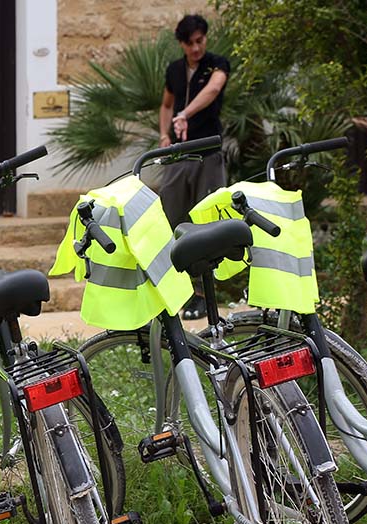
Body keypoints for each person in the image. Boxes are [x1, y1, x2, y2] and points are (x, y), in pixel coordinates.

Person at [158, 14, 229, 319]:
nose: (196, 47)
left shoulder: (218, 64)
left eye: (200, 41)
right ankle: (174, 289)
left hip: (207, 153)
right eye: (190, 43)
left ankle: (203, 294)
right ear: (182, 43)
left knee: (206, 223)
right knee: (170, 218)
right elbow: (165, 104)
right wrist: (164, 133)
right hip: (178, 156)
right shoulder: (174, 69)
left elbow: (213, 91)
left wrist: (185, 114)